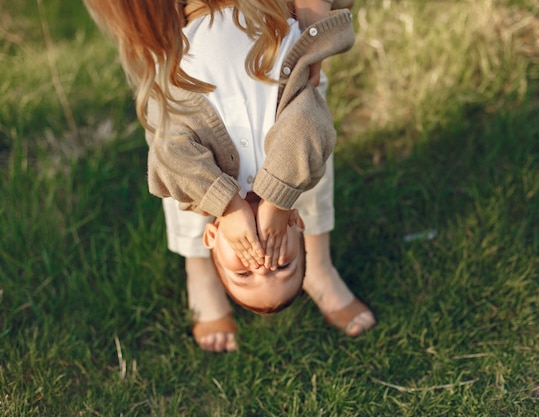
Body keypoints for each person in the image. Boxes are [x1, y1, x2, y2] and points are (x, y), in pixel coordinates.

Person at [84, 0, 375, 352]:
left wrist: (228, 206)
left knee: (185, 192)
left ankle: (201, 270)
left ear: (213, 239)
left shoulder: (200, 187)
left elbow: (168, 155)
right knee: (307, 169)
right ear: (297, 224)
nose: (263, 262)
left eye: (244, 273)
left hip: (181, 16)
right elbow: (308, 126)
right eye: (283, 264)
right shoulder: (294, 176)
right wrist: (277, 200)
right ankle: (317, 267)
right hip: (264, 10)